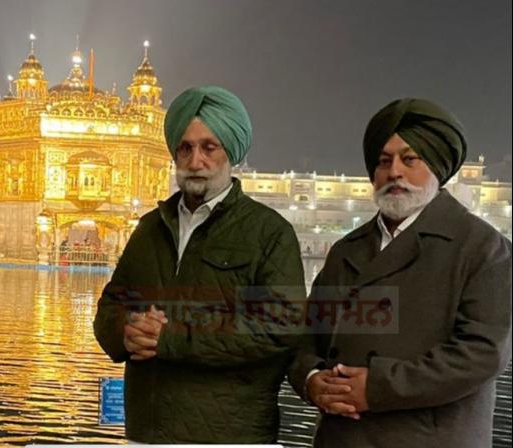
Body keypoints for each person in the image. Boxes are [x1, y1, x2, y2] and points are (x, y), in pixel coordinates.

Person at [289, 98, 512, 447]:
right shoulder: (348, 251)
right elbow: (306, 337)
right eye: (383, 161)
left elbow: (481, 354)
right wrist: (311, 379)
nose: (394, 172)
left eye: (410, 159)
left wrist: (376, 388)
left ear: (438, 166)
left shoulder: (482, 248)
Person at [94, 85, 306, 444]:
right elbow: (110, 307)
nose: (196, 161)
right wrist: (126, 332)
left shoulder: (268, 233)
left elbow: (278, 327)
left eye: (209, 147)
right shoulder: (149, 229)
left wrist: (171, 339)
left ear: (230, 153)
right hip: (148, 432)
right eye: (186, 148)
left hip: (229, 434)